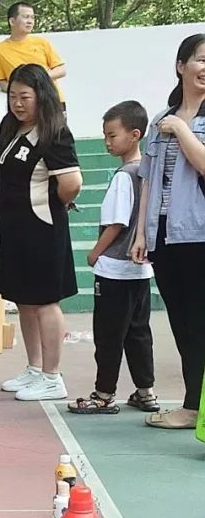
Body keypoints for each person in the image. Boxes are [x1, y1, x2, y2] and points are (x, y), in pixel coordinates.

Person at [0, 63, 82, 401]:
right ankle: (34, 368)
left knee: (45, 302)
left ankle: (52, 376)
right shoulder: (10, 128)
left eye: (25, 97)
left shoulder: (54, 132)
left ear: (41, 96)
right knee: (24, 300)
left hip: (42, 229)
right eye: (13, 96)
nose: (17, 103)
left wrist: (52, 205)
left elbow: (72, 183)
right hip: (14, 230)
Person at [130, 34, 205, 430]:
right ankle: (194, 406)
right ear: (181, 66)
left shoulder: (176, 123)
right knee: (182, 321)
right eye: (201, 60)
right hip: (164, 235)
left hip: (199, 234)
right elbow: (148, 179)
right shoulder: (162, 119)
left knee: (200, 322)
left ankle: (195, 407)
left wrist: (182, 130)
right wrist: (142, 233)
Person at [69, 101, 157, 415]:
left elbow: (116, 223)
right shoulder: (147, 172)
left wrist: (95, 253)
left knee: (108, 335)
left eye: (112, 135)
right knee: (139, 333)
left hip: (114, 271)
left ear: (135, 135)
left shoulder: (124, 175)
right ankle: (146, 392)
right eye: (105, 135)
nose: (107, 142)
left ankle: (104, 394)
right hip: (140, 271)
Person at [0, 1, 67, 106]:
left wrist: (37, 77)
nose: (30, 21)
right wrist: (22, 91)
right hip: (24, 105)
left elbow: (61, 70)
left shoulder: (42, 43)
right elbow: (3, 84)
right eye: (26, 17)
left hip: (52, 101)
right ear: (12, 21)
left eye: (32, 18)